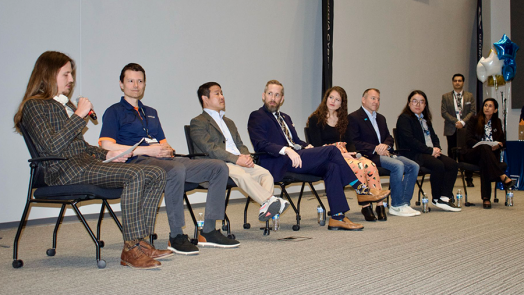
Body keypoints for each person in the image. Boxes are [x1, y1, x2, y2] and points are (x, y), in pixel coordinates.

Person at [14, 51, 172, 269]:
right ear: (48, 74)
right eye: (66, 74)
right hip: (62, 171)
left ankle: (141, 241)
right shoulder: (35, 106)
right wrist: (79, 115)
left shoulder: (65, 105)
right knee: (136, 174)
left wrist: (108, 155)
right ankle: (130, 249)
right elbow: (51, 147)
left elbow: (81, 146)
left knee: (156, 173)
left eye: (72, 74)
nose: (71, 80)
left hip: (83, 164)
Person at [99, 63, 239, 253]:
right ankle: (176, 236)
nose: (135, 85)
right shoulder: (114, 111)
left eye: (140, 81)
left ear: (144, 84)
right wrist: (147, 151)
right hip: (136, 162)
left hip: (162, 160)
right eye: (130, 80)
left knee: (218, 167)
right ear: (121, 84)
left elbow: (163, 143)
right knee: (176, 170)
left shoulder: (151, 112)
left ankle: (209, 231)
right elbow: (106, 145)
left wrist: (166, 149)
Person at [248, 80, 390, 231]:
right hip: (278, 161)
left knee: (332, 166)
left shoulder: (286, 117)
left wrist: (305, 146)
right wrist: (286, 150)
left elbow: (295, 141)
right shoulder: (257, 116)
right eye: (270, 94)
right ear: (264, 96)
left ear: (282, 99)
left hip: (297, 158)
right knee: (332, 150)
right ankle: (361, 189)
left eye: (277, 95)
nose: (273, 98)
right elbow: (260, 144)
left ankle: (337, 217)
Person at [189, 82, 290, 221]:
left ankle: (267, 207)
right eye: (217, 93)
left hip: (236, 162)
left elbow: (239, 144)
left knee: (265, 174)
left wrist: (246, 156)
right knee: (242, 175)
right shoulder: (198, 122)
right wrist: (236, 159)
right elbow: (210, 149)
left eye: (222, 93)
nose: (222, 97)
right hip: (216, 165)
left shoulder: (229, 122)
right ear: (205, 99)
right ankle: (270, 200)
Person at [307, 86, 390, 222]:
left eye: (337, 99)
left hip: (346, 154)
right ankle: (366, 206)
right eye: (331, 97)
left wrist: (354, 153)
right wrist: (340, 154)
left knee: (370, 165)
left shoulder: (343, 119)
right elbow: (316, 146)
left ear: (342, 103)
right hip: (328, 156)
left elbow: (350, 142)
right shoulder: (315, 120)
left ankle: (379, 205)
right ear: (326, 99)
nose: (333, 101)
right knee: (359, 167)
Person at [349, 88, 420, 217]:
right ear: (363, 100)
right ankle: (396, 205)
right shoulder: (354, 117)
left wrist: (385, 146)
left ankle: (404, 203)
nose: (376, 101)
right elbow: (355, 142)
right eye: (373, 98)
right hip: (369, 156)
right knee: (398, 165)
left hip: (386, 153)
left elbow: (389, 137)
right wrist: (376, 148)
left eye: (378, 99)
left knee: (413, 166)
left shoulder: (381, 118)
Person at [396, 90, 460, 212]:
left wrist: (437, 148)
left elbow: (434, 137)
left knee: (452, 164)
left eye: (421, 102)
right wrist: (430, 151)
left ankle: (445, 197)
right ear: (409, 103)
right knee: (438, 165)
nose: (418, 104)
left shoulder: (425, 119)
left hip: (429, 152)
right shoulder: (404, 119)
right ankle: (436, 198)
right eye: (414, 101)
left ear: (425, 105)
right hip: (413, 153)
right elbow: (410, 140)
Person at [463, 98, 513, 209]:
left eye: (490, 106)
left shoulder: (497, 122)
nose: (487, 108)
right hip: (473, 153)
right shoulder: (474, 120)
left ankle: (486, 198)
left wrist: (499, 145)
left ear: (495, 110)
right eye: (485, 105)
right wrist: (482, 144)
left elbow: (503, 141)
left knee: (485, 162)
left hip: (488, 157)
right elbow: (468, 140)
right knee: (484, 148)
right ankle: (501, 175)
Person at [441, 73, 476, 187]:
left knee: (467, 153)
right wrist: (456, 121)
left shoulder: (470, 96)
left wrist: (463, 122)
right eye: (455, 80)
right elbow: (444, 112)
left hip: (466, 128)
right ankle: (450, 177)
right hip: (451, 128)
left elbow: (472, 111)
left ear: (463, 82)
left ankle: (469, 178)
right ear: (452, 82)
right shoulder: (445, 96)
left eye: (459, 81)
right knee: (451, 153)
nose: (457, 82)